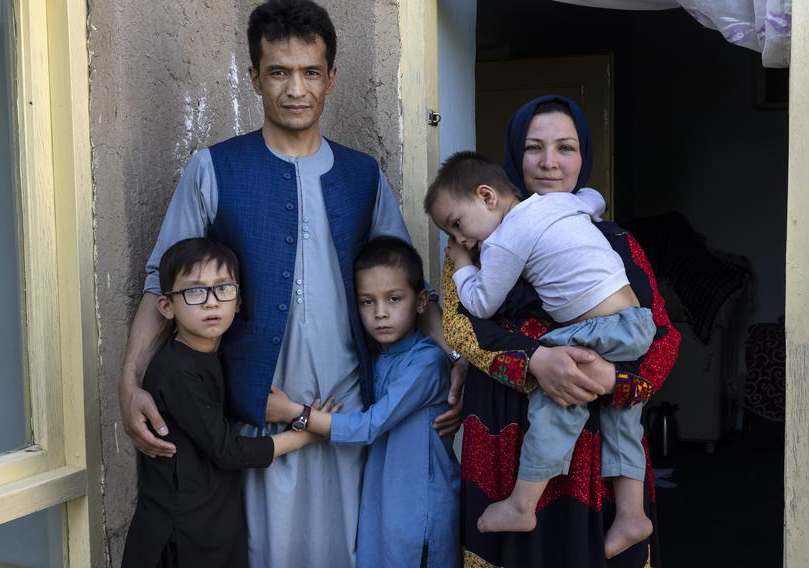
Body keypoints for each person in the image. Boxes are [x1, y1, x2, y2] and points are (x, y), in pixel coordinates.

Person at [117, 2, 463, 566]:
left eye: (309, 72)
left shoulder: (364, 175)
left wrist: (456, 364)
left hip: (350, 412)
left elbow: (410, 289)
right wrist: (130, 384)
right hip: (255, 410)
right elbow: (162, 283)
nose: (295, 89)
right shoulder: (213, 169)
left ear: (331, 78)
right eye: (278, 72)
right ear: (254, 77)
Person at [443, 95, 681, 567]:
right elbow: (462, 327)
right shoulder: (479, 242)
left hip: (597, 457)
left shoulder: (612, 239)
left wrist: (616, 381)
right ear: (513, 154)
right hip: (504, 441)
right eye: (534, 148)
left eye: (566, 148)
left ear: (584, 155)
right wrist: (537, 360)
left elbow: (661, 337)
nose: (550, 163)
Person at [121, 237, 339, 568]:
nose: (211, 302)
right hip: (180, 533)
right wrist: (306, 433)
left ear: (238, 301)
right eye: (194, 292)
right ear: (167, 306)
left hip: (210, 519)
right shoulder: (177, 373)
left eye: (223, 289)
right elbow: (227, 451)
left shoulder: (212, 354)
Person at [265, 236, 460, 568]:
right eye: (367, 302)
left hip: (421, 508)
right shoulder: (377, 359)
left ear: (421, 301)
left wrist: (295, 413)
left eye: (394, 298)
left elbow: (370, 425)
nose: (380, 313)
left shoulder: (426, 363)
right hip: (385, 503)